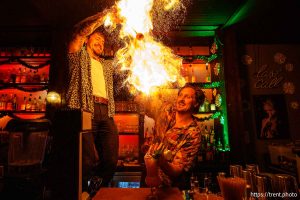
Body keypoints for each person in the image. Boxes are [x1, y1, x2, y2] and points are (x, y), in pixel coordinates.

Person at [66, 8, 119, 189]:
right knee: (86, 161)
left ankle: (95, 188)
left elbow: (126, 57)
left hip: (106, 112)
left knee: (111, 161)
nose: (101, 42)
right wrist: (106, 15)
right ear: (87, 40)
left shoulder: (106, 65)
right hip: (84, 109)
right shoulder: (77, 57)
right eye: (97, 38)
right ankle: (81, 192)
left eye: (103, 41)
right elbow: (78, 33)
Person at [144, 83, 205, 190]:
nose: (181, 99)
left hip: (171, 188)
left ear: (196, 103)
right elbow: (147, 104)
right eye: (180, 95)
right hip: (148, 175)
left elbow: (176, 170)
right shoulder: (167, 109)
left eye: (187, 97)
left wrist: (161, 160)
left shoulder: (193, 134)